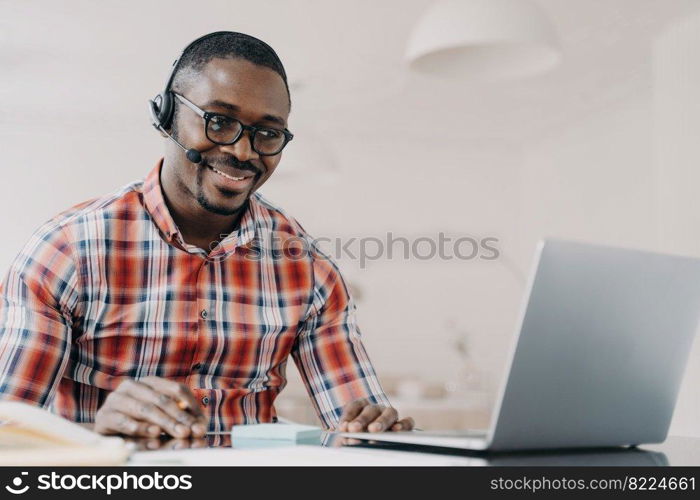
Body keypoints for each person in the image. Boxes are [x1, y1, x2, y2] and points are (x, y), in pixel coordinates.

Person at [0, 31, 414, 439]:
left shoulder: (307, 269)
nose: (243, 152)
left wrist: (373, 429)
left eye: (267, 133)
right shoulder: (66, 252)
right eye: (218, 122)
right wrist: (97, 433)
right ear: (166, 115)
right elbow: (8, 432)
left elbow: (358, 428)